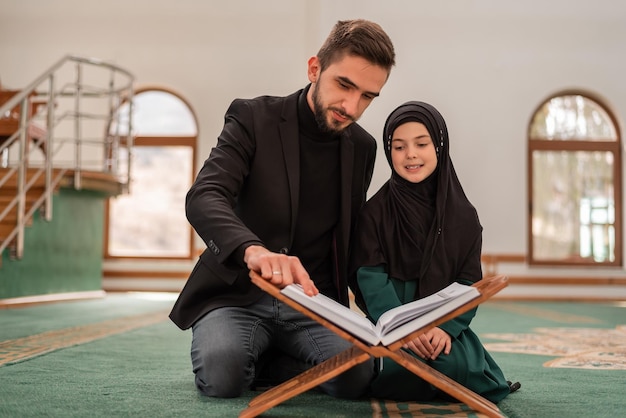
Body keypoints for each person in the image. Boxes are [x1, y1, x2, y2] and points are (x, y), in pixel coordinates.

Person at [169, 19, 396, 399]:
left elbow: (352, 237)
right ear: (314, 69)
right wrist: (252, 250)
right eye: (344, 85)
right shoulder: (253, 118)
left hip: (314, 302)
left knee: (358, 374)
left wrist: (392, 317)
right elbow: (205, 195)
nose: (352, 106)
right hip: (238, 294)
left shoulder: (364, 147)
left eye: (368, 96)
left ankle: (267, 358)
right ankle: (260, 356)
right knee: (223, 377)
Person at [349, 101, 516, 403]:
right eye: (399, 147)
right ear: (389, 153)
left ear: (439, 146)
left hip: (443, 318)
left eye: (421, 144)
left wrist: (445, 328)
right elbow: (370, 278)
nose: (410, 154)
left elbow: (468, 284)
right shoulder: (375, 212)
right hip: (392, 321)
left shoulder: (463, 216)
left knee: (450, 364)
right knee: (401, 369)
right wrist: (405, 328)